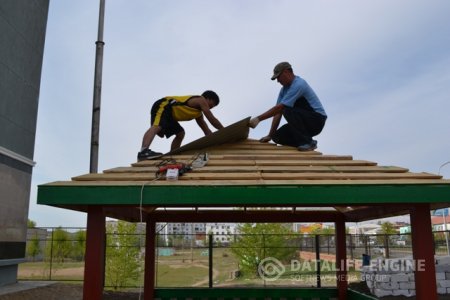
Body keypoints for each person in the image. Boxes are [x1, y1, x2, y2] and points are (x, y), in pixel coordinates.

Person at [248, 62, 327, 151]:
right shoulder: (283, 90)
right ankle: (305, 143)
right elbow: (277, 113)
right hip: (303, 123)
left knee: (286, 108)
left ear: (286, 72)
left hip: (316, 120)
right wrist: (270, 135)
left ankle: (307, 142)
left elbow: (281, 108)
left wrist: (258, 119)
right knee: (277, 137)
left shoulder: (299, 84)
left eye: (278, 77)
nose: (278, 81)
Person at [137, 90, 224, 160]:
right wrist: (224, 131)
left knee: (180, 133)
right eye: (213, 104)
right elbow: (212, 119)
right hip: (164, 105)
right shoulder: (201, 99)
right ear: (208, 98)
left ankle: (171, 156)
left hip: (170, 116)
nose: (212, 107)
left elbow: (206, 130)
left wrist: (215, 141)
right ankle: (143, 152)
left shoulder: (198, 114)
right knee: (158, 126)